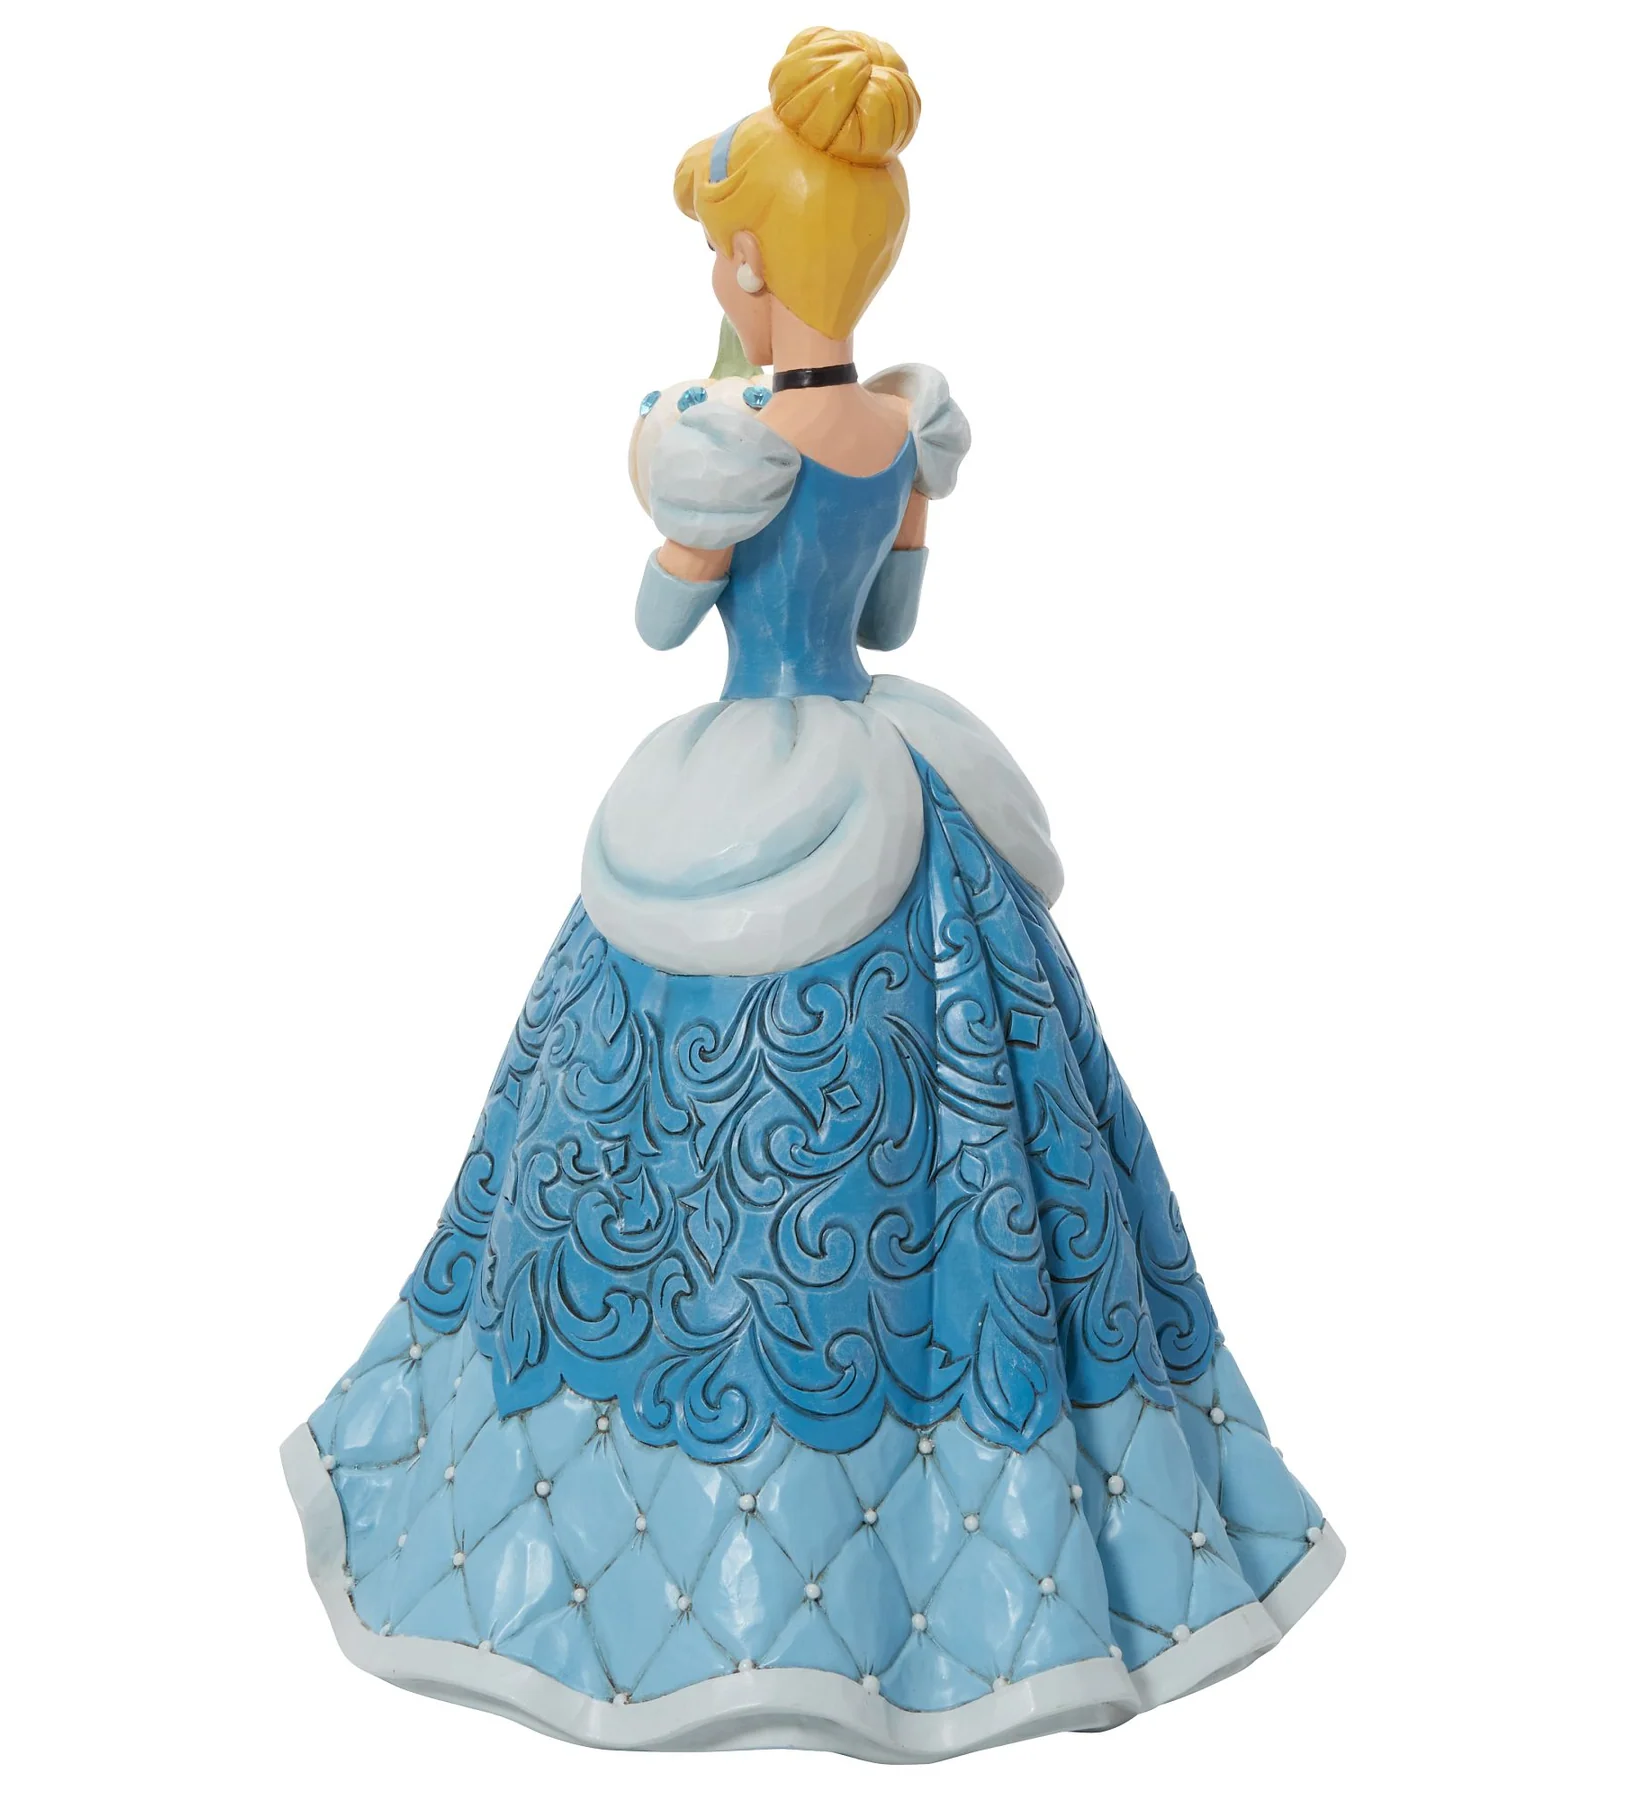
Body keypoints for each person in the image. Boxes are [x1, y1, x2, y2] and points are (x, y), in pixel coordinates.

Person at [284, 26, 1342, 1760]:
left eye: (723, 251)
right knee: (987, 1113)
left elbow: (657, 627)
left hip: (752, 761)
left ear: (753, 265)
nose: (718, 275)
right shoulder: (902, 429)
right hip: (884, 766)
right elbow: (894, 625)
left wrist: (674, 507)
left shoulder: (730, 443)